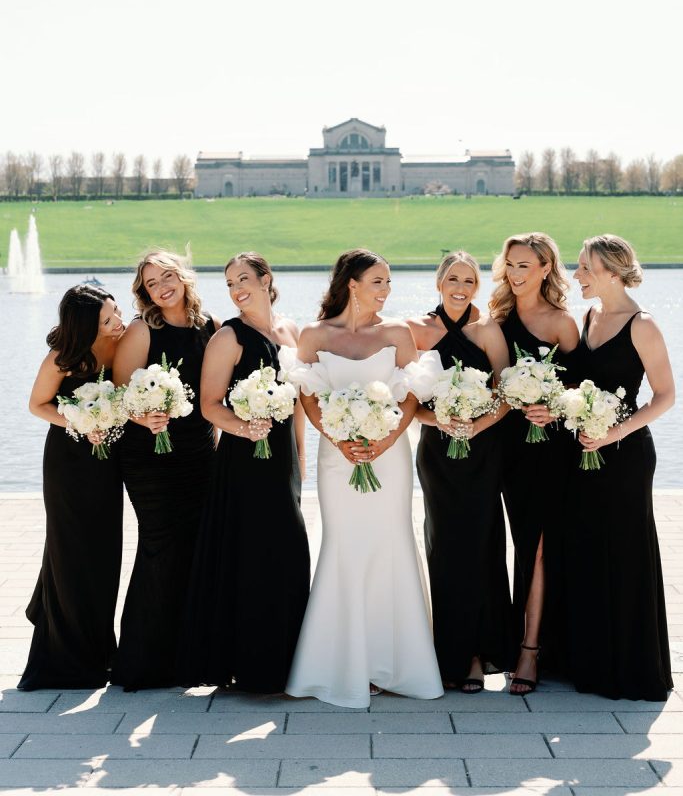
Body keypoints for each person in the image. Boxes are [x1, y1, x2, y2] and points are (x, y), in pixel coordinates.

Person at [285, 249, 443, 708]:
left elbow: (412, 395)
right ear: (351, 284)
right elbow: (309, 398)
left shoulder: (398, 333)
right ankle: (339, 666)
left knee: (391, 542)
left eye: (389, 282)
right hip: (338, 460)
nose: (386, 291)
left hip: (389, 456)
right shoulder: (314, 335)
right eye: (378, 281)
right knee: (344, 547)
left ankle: (395, 663)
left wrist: (388, 438)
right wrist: (337, 439)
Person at [177, 252, 310, 692]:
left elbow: (297, 408)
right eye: (231, 282)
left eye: (244, 279)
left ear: (267, 279)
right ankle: (251, 666)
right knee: (252, 557)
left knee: (288, 553)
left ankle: (289, 659)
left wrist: (300, 461)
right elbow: (209, 404)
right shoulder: (227, 338)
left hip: (283, 463)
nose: (237, 289)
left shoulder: (290, 332)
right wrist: (244, 427)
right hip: (244, 463)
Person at [564, 235, 673, 700]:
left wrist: (614, 433)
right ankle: (591, 663)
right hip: (582, 452)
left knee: (626, 551)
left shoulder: (642, 325)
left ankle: (633, 668)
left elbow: (666, 396)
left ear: (611, 271)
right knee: (588, 548)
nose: (577, 276)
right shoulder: (586, 317)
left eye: (585, 268)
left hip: (626, 455)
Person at [111, 250, 219, 690]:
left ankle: (189, 659)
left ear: (183, 276)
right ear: (145, 293)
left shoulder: (209, 327)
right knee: (160, 546)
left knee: (194, 548)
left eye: (166, 277)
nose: (161, 287)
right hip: (148, 456)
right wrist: (144, 418)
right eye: (152, 283)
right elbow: (119, 394)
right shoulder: (141, 330)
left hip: (197, 454)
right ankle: (143, 663)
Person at [408, 251, 514, 692]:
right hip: (437, 454)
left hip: (483, 451)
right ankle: (445, 652)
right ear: (438, 282)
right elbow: (409, 402)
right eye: (453, 278)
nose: (461, 287)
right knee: (444, 547)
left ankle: (475, 654)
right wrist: (442, 422)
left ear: (477, 287)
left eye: (469, 281)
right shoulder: (415, 330)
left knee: (482, 545)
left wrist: (476, 424)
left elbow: (507, 393)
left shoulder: (487, 329)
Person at [19, 285, 125, 690]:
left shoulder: (121, 344)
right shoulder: (62, 358)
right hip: (67, 464)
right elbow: (37, 405)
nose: (116, 322)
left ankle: (100, 647)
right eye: (106, 319)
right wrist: (81, 421)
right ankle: (64, 655)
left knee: (104, 551)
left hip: (106, 464)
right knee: (69, 552)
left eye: (115, 312)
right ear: (85, 326)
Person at [489, 232, 579, 694]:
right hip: (503, 448)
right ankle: (494, 642)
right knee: (509, 544)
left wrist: (555, 406)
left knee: (539, 545)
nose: (516, 274)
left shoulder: (563, 323)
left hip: (548, 448)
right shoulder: (496, 319)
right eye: (511, 265)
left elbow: (581, 393)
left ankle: (530, 649)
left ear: (546, 269)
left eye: (525, 265)